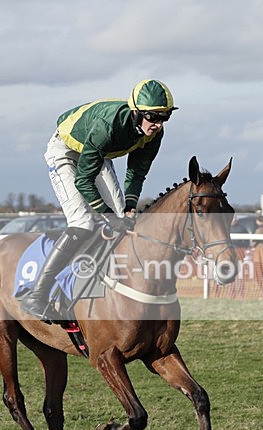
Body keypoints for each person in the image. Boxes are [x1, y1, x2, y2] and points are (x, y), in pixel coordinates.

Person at [21, 79, 177, 320]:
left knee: (122, 221)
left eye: (165, 117)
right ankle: (37, 294)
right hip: (65, 150)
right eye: (152, 117)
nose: (158, 124)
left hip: (96, 152)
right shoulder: (108, 126)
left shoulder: (154, 134)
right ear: (136, 112)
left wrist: (130, 206)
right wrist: (107, 216)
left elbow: (137, 172)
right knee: (83, 222)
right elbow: (83, 180)